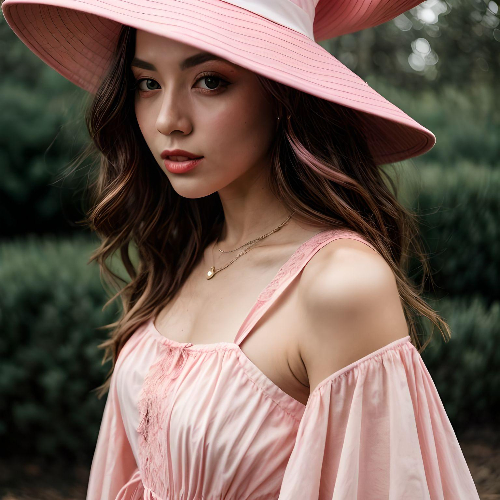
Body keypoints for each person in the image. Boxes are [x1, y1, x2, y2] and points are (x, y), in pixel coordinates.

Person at [1, 0, 481, 498]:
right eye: (148, 83)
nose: (169, 120)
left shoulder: (339, 285)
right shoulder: (191, 254)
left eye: (210, 81)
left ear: (283, 94)